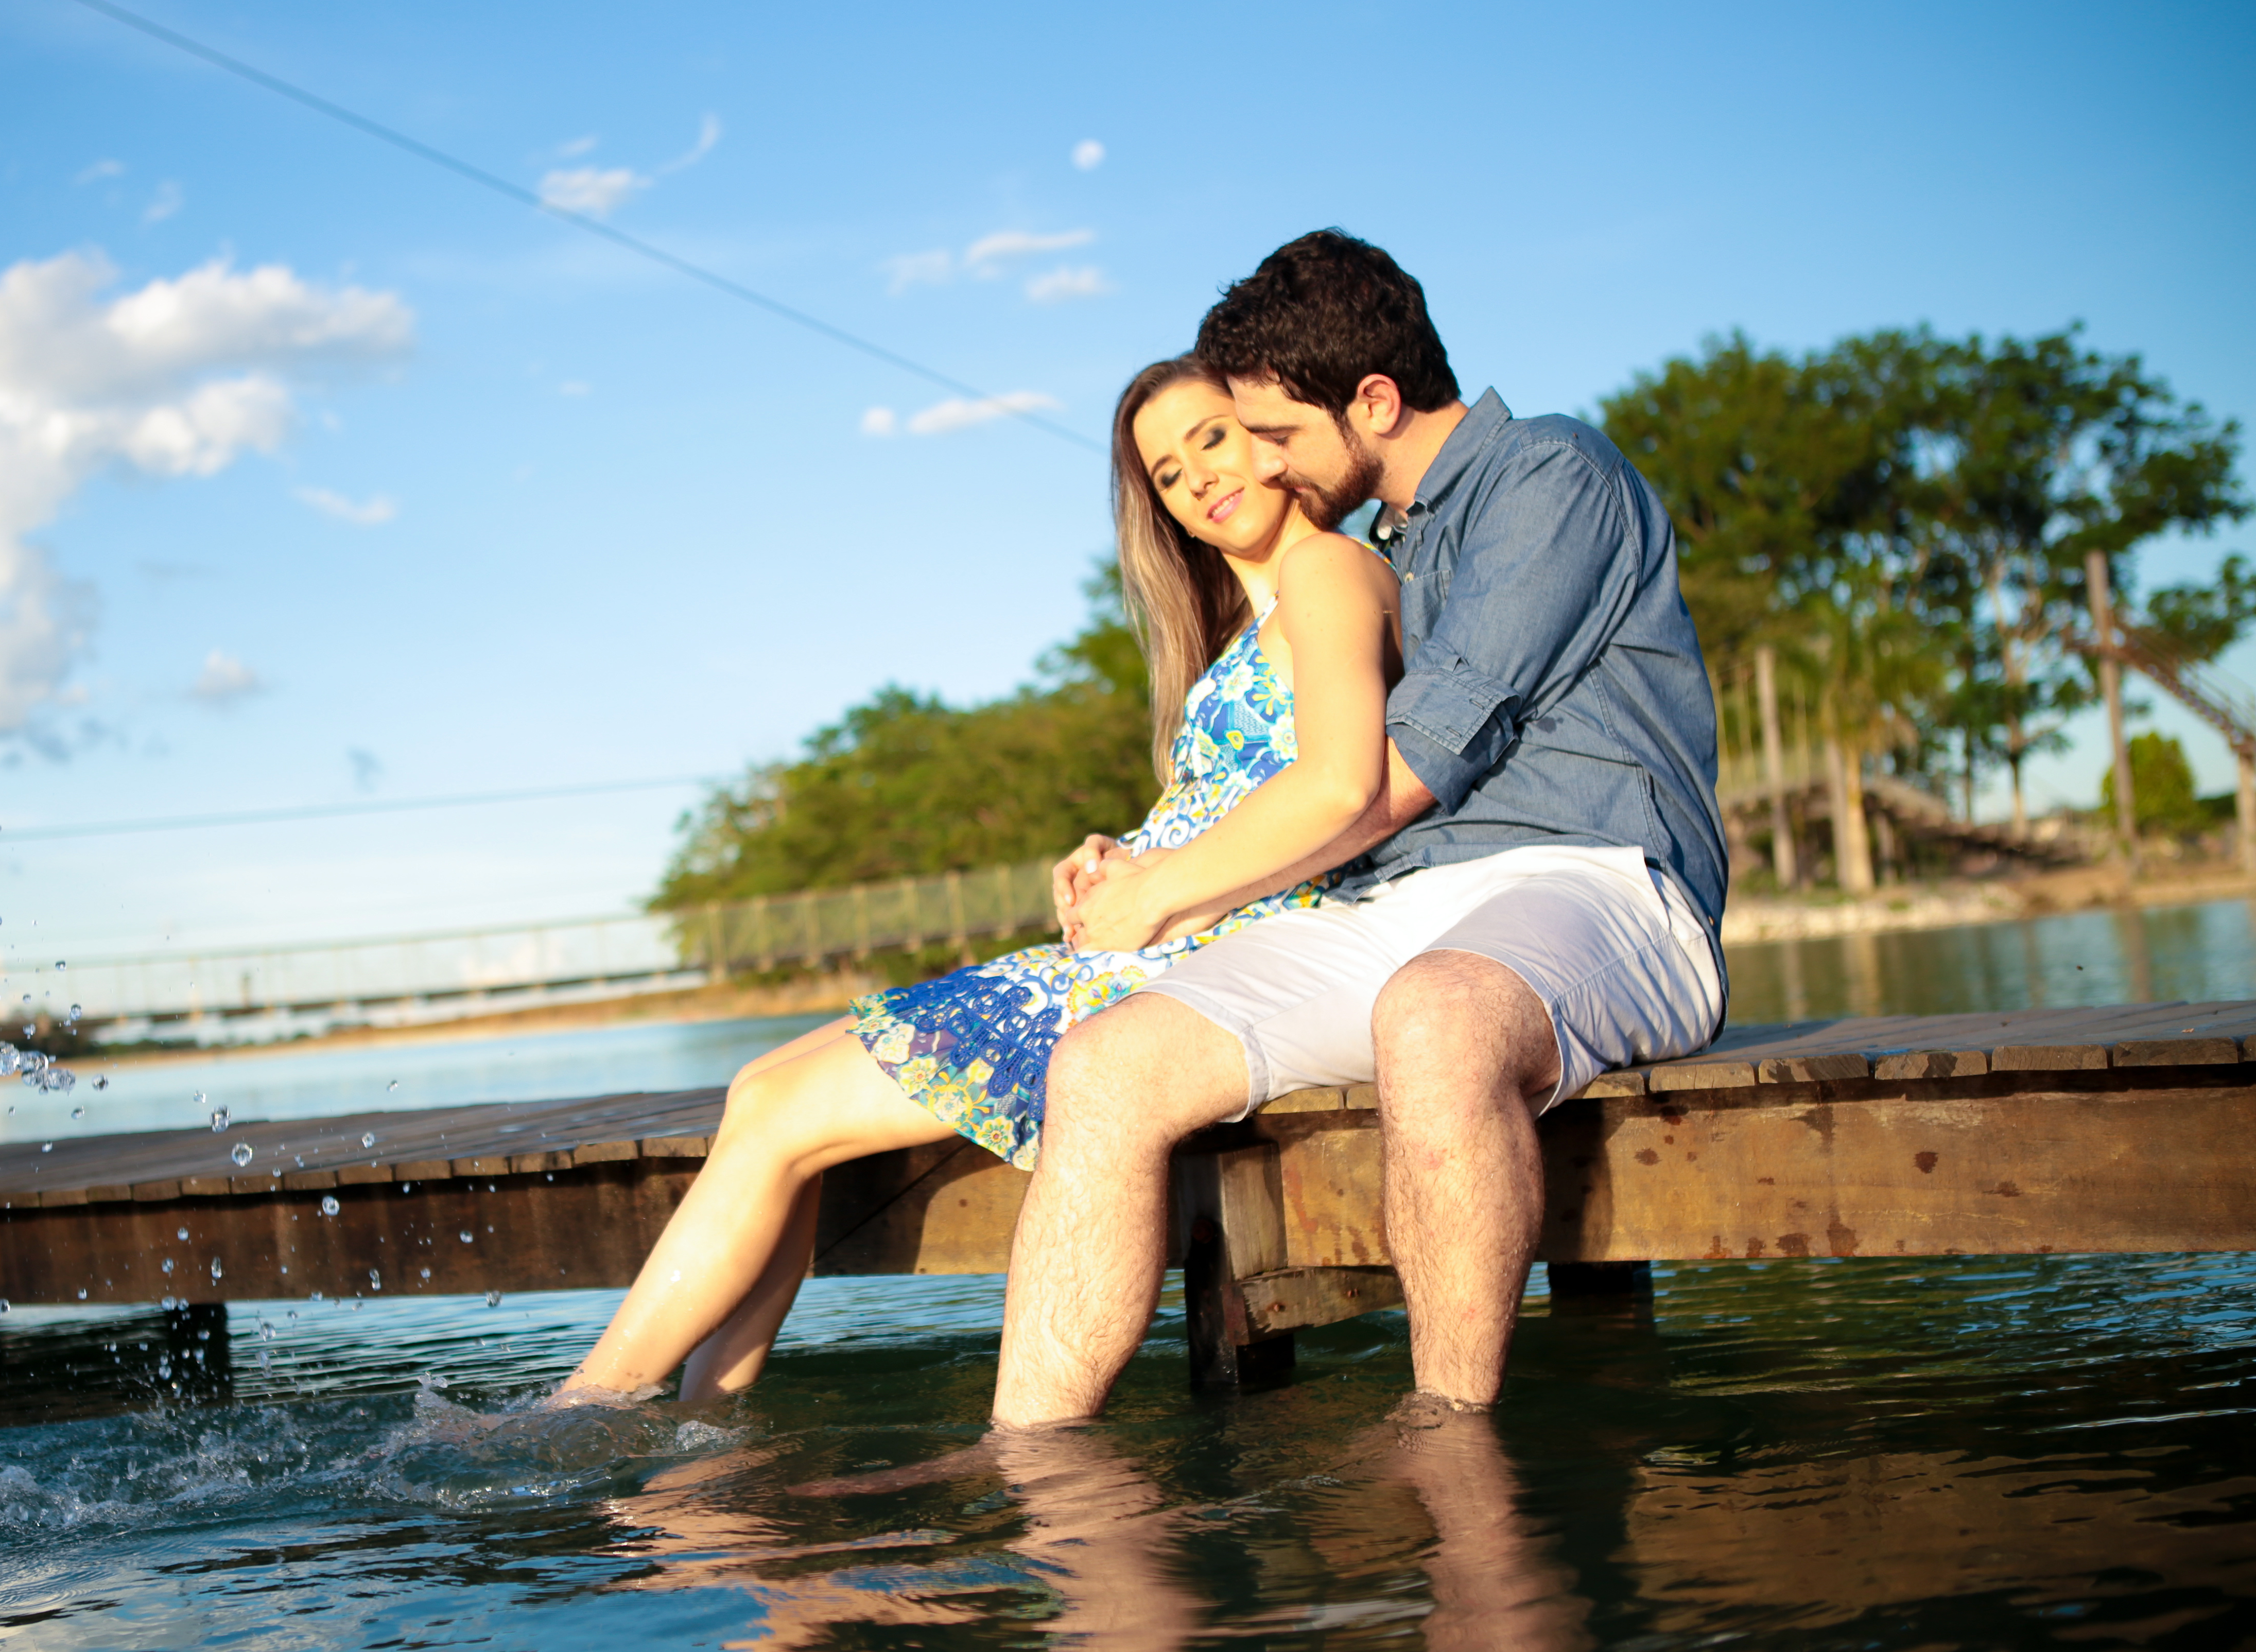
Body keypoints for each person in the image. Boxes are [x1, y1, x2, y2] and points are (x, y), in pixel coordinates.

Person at [554, 356, 1404, 1406]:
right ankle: (695, 1426)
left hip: (1204, 968)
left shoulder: (1330, 572)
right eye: (1170, 477)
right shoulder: (1237, 633)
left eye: (1212, 441)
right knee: (761, 1097)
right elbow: (1238, 801)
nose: (1198, 483)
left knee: (775, 1106)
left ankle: (585, 1414)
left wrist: (1167, 887)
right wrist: (1124, 855)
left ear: (1271, 434)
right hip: (1146, 944)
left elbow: (1339, 788)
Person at [994, 230, 1727, 1428]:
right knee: (1108, 1065)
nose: (1268, 467)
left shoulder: (1551, 476)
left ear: (1373, 401)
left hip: (1605, 885)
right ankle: (1031, 1468)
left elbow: (1395, 776)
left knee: (1434, 1014)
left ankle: (1450, 1441)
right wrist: (1145, 867)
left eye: (1278, 435)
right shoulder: (1382, 549)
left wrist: (1173, 889)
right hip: (1404, 909)